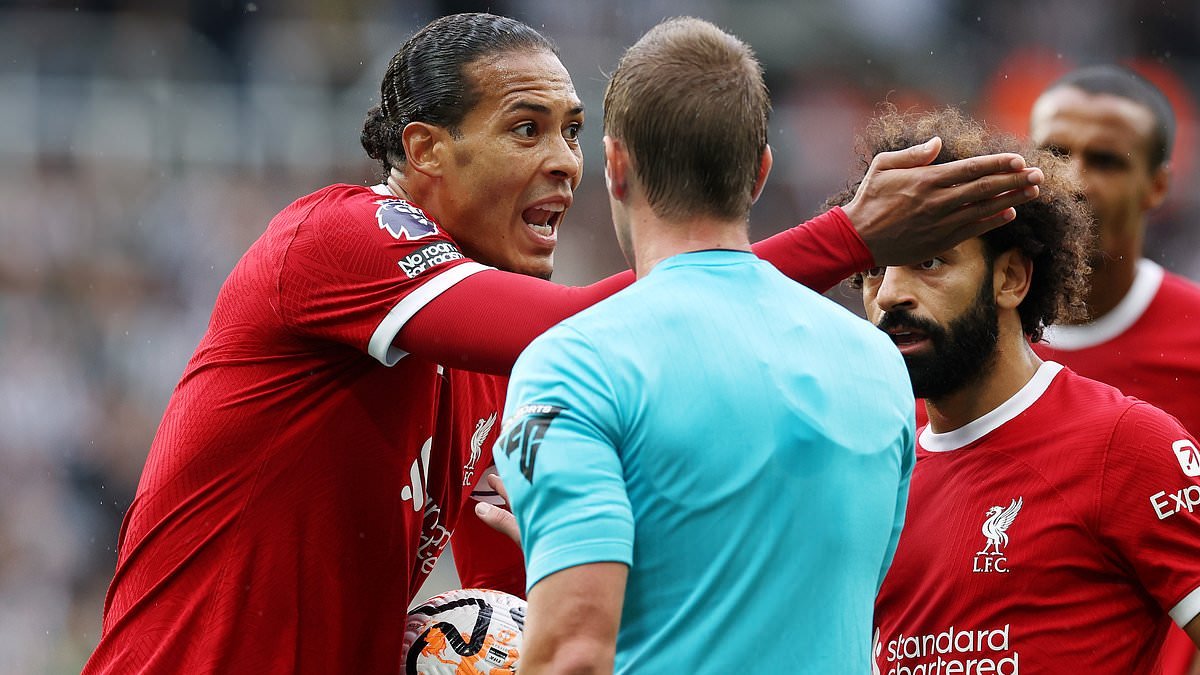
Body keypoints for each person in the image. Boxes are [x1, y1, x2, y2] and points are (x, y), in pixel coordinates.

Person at [83, 12, 1042, 674]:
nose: (563, 164)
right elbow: (594, 323)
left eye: (576, 132)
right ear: (423, 154)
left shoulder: (493, 373)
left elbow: (522, 593)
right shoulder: (336, 236)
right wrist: (845, 241)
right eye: (526, 128)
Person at [487, 17, 914, 673]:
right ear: (761, 172)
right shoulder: (878, 363)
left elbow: (573, 654)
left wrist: (568, 546)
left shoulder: (571, 365)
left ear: (618, 164)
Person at [845, 106, 1200, 674]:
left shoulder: (1126, 444)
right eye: (873, 270)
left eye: (929, 261)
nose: (889, 295)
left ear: (1011, 278)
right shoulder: (871, 466)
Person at [1027, 66, 1200, 673]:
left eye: (1105, 161)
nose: (1072, 180)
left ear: (1157, 186)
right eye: (1053, 152)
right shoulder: (963, 344)